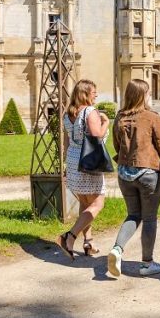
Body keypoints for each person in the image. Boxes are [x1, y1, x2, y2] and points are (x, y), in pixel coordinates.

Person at [106, 79, 160, 278]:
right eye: (148, 93)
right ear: (143, 95)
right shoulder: (152, 117)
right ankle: (148, 263)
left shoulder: (120, 117)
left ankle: (117, 249)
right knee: (149, 218)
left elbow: (117, 146)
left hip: (125, 173)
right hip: (148, 171)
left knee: (133, 215)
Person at [56, 79, 109, 259]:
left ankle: (88, 241)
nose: (96, 95)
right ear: (86, 94)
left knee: (86, 203)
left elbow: (67, 140)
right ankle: (69, 236)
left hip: (73, 160)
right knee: (97, 203)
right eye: (94, 92)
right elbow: (96, 136)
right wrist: (106, 123)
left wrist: (66, 163)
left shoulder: (68, 113)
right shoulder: (90, 111)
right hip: (89, 161)